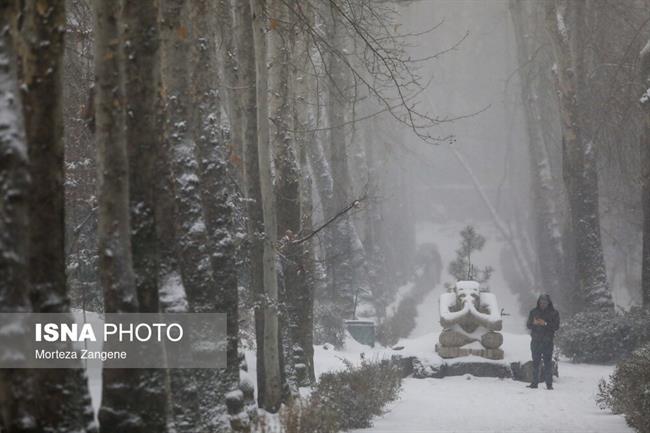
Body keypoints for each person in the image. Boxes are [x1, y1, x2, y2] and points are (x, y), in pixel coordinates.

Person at [526, 294, 560, 389]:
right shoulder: (533, 312)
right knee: (535, 362)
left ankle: (549, 385)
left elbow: (556, 326)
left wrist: (545, 323)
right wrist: (533, 323)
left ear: (549, 302)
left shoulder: (554, 313)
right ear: (538, 302)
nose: (543, 303)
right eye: (541, 301)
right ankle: (534, 383)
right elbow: (528, 325)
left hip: (547, 342)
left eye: (545, 301)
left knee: (547, 363)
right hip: (536, 341)